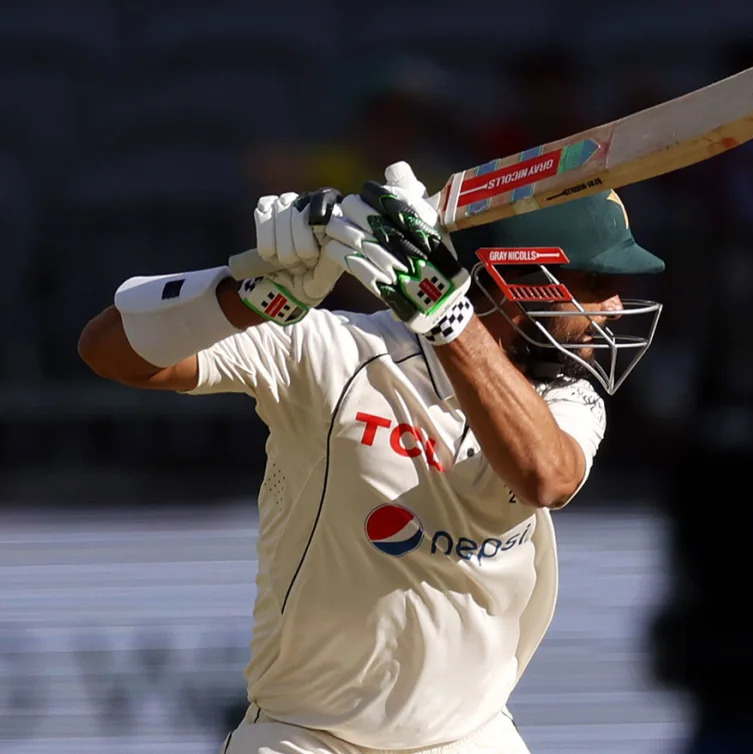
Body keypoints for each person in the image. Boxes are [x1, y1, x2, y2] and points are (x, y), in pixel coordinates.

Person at [76, 161, 665, 753]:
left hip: (470, 737)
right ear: (515, 279)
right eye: (593, 283)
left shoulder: (566, 395)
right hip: (302, 737)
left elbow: (548, 476)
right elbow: (108, 352)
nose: (614, 307)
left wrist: (447, 315)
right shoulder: (330, 350)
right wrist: (254, 293)